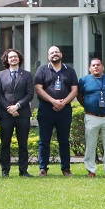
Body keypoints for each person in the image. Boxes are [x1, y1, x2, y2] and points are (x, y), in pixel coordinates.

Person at [33, 46, 78, 177]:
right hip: (46, 108)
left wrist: (63, 103)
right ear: (48, 56)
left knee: (64, 140)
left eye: (56, 52)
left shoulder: (69, 71)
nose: (54, 54)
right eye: (52, 53)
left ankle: (66, 168)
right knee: (44, 140)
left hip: (64, 109)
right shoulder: (42, 69)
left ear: (61, 54)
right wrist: (53, 101)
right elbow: (38, 89)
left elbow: (74, 90)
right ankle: (43, 168)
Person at [0, 48, 34, 177]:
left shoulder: (27, 75)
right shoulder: (1, 75)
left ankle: (23, 170)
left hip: (23, 114)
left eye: (15, 57)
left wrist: (17, 106)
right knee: (5, 143)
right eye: (10, 57)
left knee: (23, 143)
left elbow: (30, 94)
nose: (13, 59)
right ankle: (5, 170)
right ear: (7, 60)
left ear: (19, 59)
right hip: (6, 115)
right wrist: (10, 108)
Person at [77, 57, 105, 178]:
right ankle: (91, 170)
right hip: (91, 117)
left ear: (103, 67)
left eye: (98, 65)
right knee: (90, 145)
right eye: (93, 65)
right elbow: (79, 96)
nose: (96, 67)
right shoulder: (84, 80)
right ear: (90, 68)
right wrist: (89, 106)